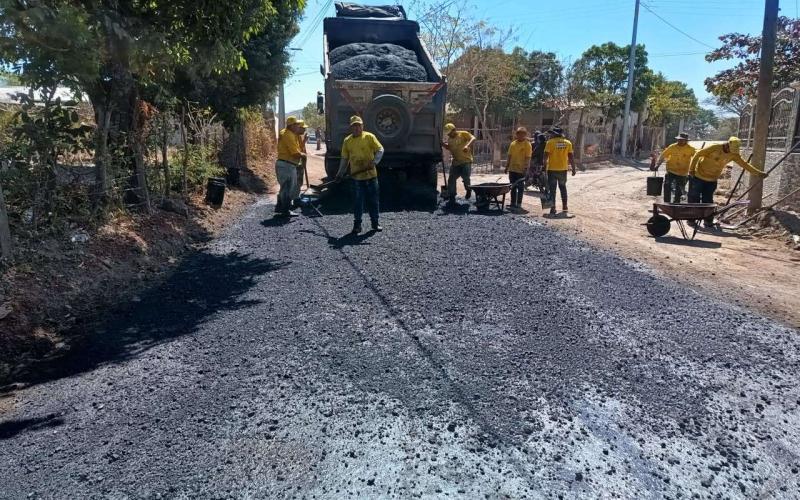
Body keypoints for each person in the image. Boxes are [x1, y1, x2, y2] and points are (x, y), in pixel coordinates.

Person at [688, 136, 768, 228]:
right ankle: (691, 220)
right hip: (698, 176)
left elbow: (744, 164)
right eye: (731, 149)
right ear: (727, 144)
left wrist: (758, 173)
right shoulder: (714, 147)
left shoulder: (734, 154)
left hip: (712, 179)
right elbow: (697, 154)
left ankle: (708, 221)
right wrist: (691, 170)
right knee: (694, 198)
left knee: (708, 200)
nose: (731, 152)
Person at [336, 115, 385, 234]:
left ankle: (375, 223)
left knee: (373, 200)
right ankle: (357, 225)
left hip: (371, 176)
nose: (357, 128)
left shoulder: (369, 137)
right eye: (354, 126)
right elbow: (344, 159)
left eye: (359, 125)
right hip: (357, 177)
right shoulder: (347, 141)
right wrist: (340, 174)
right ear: (351, 128)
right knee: (358, 201)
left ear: (362, 126)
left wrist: (374, 162)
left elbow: (380, 149)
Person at [275, 116, 306, 216]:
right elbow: (295, 153)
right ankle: (285, 211)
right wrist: (303, 155)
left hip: (285, 164)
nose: (298, 126)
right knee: (288, 188)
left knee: (284, 187)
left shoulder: (286, 133)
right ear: (291, 125)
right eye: (296, 124)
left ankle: (280, 207)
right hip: (287, 165)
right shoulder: (289, 135)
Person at [653, 132, 695, 204]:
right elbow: (663, 155)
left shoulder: (691, 149)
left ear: (686, 141)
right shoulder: (672, 147)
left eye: (682, 140)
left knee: (679, 188)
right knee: (667, 185)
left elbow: (696, 158)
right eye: (679, 139)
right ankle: (667, 202)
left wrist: (694, 170)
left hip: (683, 172)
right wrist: (658, 164)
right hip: (671, 170)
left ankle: (676, 202)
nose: (680, 141)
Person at [543, 127, 576, 215]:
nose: (550, 135)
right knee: (563, 188)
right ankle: (565, 207)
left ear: (554, 134)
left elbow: (545, 157)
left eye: (551, 133)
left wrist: (544, 167)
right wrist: (573, 168)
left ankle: (553, 208)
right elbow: (571, 157)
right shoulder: (568, 143)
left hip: (552, 170)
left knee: (552, 190)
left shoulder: (550, 143)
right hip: (563, 170)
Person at [442, 123, 475, 205]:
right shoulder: (450, 139)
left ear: (454, 130)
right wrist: (442, 144)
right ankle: (452, 196)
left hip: (466, 161)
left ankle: (468, 190)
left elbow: (473, 138)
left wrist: (467, 146)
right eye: (448, 134)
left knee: (466, 177)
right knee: (451, 179)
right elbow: (449, 147)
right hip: (456, 162)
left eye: (450, 133)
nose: (449, 134)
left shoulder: (463, 134)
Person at [505, 127, 532, 210]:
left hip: (521, 170)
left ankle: (519, 204)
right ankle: (513, 203)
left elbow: (528, 158)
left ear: (525, 135)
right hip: (512, 169)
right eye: (519, 134)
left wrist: (525, 168)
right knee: (512, 187)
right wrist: (507, 166)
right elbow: (509, 156)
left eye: (522, 134)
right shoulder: (513, 144)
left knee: (520, 187)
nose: (520, 136)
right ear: (517, 135)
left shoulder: (527, 144)